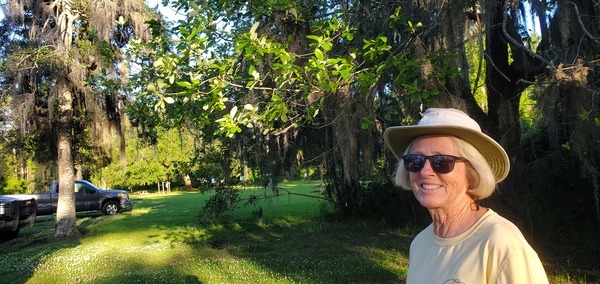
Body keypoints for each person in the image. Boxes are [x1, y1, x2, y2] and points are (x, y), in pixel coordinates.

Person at [384, 108, 548, 283]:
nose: (425, 172)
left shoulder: (501, 244)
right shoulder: (420, 244)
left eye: (442, 161)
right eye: (415, 161)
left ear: (472, 173)